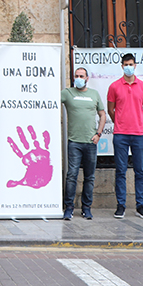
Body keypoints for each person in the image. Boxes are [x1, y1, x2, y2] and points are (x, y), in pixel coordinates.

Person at [107, 53, 143, 220]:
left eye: (131, 64)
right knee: (120, 171)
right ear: (121, 66)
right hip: (120, 135)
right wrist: (120, 122)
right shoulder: (114, 87)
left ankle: (141, 205)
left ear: (135, 65)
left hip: (139, 135)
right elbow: (111, 110)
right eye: (126, 64)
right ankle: (121, 205)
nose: (128, 67)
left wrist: (137, 122)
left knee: (140, 171)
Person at [61, 67, 106, 220]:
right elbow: (51, 102)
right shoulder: (67, 93)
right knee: (72, 175)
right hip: (74, 142)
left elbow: (102, 114)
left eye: (82, 76)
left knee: (90, 177)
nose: (79, 78)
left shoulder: (94, 94)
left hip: (90, 142)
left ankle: (86, 208)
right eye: (76, 75)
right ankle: (69, 208)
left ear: (87, 78)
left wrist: (98, 134)